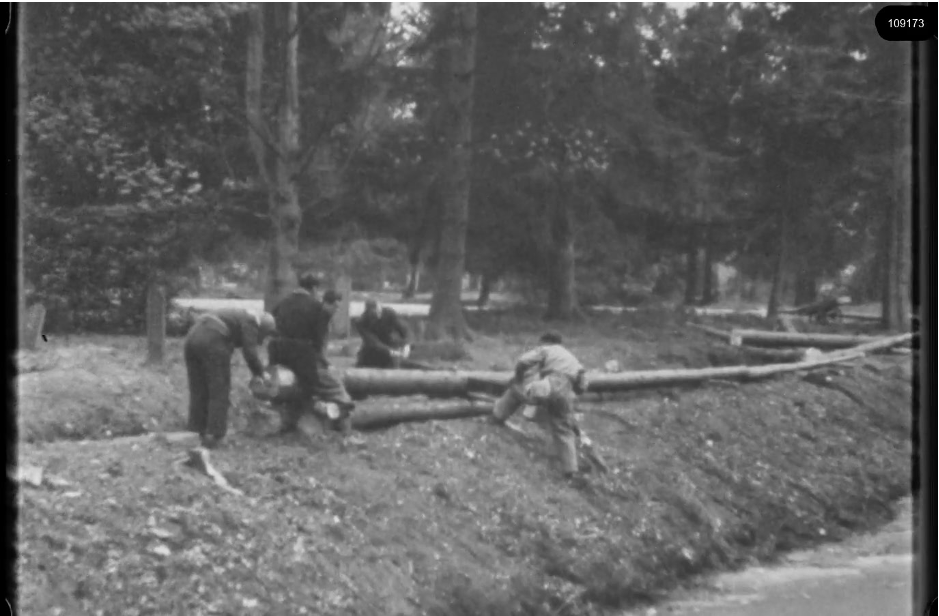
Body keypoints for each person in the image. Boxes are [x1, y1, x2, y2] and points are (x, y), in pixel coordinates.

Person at [269, 275, 360, 445]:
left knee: (301, 392)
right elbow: (319, 344)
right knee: (336, 388)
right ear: (314, 289)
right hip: (303, 359)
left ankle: (289, 422)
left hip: (279, 357)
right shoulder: (318, 308)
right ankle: (348, 433)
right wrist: (326, 364)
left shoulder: (282, 303)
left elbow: (272, 327)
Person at [490, 332, 590, 480]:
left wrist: (518, 377)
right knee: (563, 430)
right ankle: (571, 471)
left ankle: (497, 417)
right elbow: (582, 385)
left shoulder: (547, 349)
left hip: (550, 385)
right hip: (565, 394)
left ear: (546, 342)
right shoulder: (573, 360)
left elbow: (523, 361)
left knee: (516, 390)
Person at [184, 308, 276, 449]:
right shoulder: (252, 321)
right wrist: (261, 373)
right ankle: (216, 436)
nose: (262, 341)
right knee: (219, 389)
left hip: (192, 337)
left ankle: (199, 430)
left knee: (199, 387)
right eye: (264, 335)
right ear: (262, 328)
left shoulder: (240, 316)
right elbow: (250, 352)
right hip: (213, 340)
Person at [354, 299, 411, 369]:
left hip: (388, 343)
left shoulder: (389, 313)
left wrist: (406, 345)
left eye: (379, 312)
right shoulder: (361, 323)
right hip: (371, 352)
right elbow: (373, 342)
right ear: (368, 312)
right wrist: (391, 352)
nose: (378, 315)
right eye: (374, 314)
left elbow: (403, 329)